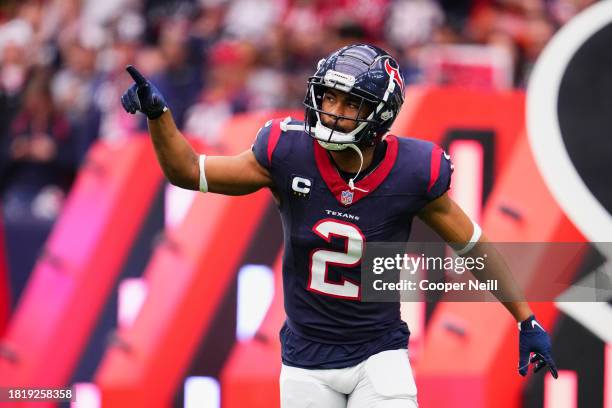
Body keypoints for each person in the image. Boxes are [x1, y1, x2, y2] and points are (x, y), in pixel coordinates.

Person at [121, 43, 557, 407]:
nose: (333, 110)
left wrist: (526, 320)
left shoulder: (413, 172)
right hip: (305, 359)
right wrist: (159, 117)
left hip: (378, 352)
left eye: (351, 103)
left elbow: (474, 248)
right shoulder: (286, 152)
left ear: (381, 115)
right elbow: (187, 171)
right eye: (329, 97)